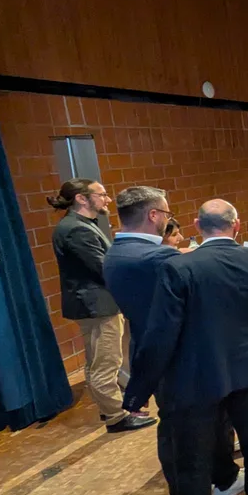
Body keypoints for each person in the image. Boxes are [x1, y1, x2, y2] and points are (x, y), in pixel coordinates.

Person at [125, 199, 248, 495]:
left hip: (197, 378)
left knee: (194, 464)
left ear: (197, 225)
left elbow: (160, 334)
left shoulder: (179, 268)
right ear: (237, 225)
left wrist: (138, 391)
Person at [104, 187, 245, 495]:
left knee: (173, 424)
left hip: (153, 353)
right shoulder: (159, 259)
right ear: (153, 215)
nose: (167, 221)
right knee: (206, 424)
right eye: (166, 215)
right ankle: (215, 484)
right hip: (189, 354)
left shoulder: (114, 254)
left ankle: (189, 491)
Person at [49, 178, 156, 433]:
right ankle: (116, 416)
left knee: (99, 361)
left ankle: (113, 408)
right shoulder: (76, 229)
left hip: (94, 304)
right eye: (102, 194)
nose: (107, 200)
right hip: (96, 305)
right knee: (105, 362)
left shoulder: (80, 225)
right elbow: (104, 268)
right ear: (81, 199)